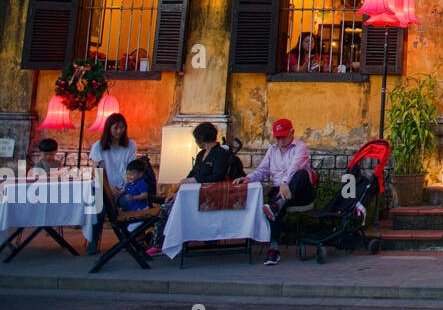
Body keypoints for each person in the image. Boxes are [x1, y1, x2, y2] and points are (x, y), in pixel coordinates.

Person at [232, 118, 313, 266]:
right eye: (278, 137)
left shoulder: (301, 147)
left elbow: (294, 167)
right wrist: (248, 178)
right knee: (274, 207)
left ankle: (277, 205)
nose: (280, 140)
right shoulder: (272, 150)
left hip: (300, 192)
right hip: (280, 191)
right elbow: (263, 170)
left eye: (284, 136)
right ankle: (273, 248)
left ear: (292, 132)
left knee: (301, 174)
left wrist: (285, 183)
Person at [145, 122, 229, 257]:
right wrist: (178, 191)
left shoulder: (220, 154)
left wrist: (195, 180)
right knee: (167, 206)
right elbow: (192, 173)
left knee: (167, 209)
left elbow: (217, 175)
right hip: (193, 193)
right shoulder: (201, 154)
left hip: (209, 194)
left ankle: (160, 244)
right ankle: (160, 242)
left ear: (202, 138)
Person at [88, 113, 137, 254]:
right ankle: (94, 240)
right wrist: (109, 188)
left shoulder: (130, 145)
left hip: (122, 187)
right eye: (115, 128)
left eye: (122, 127)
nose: (119, 131)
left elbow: (131, 170)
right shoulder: (98, 146)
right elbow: (96, 171)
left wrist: (121, 190)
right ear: (109, 128)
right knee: (99, 208)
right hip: (102, 186)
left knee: (129, 203)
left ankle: (129, 237)